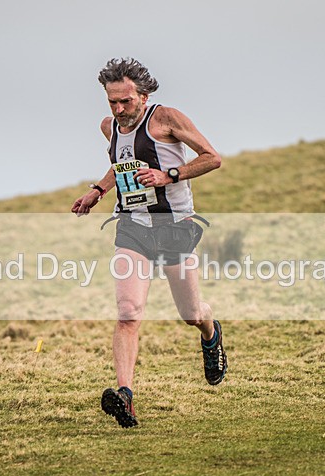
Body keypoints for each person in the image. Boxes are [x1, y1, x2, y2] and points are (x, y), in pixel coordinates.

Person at [72, 57, 227, 428]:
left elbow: (212, 158)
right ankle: (124, 395)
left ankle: (211, 332)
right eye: (112, 101)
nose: (119, 109)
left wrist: (168, 174)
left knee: (190, 314)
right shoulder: (110, 126)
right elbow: (122, 162)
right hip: (132, 226)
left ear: (143, 95)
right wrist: (98, 190)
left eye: (126, 101)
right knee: (128, 312)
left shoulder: (167, 118)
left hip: (174, 226)